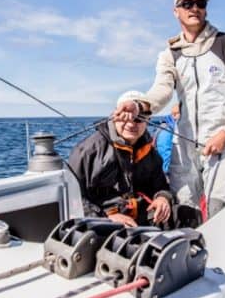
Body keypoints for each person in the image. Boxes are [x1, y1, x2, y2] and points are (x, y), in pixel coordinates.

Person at [115, 0, 225, 218]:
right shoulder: (169, 54)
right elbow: (162, 90)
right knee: (182, 212)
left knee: (217, 209)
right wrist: (139, 105)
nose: (194, 8)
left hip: (222, 141)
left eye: (200, 3)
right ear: (176, 11)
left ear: (206, 9)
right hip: (183, 145)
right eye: (187, 4)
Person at [68, 91, 173, 227]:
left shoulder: (149, 151)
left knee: (184, 215)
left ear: (148, 120)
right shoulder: (87, 151)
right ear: (114, 116)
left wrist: (163, 198)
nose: (131, 124)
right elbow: (73, 198)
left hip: (140, 217)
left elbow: (161, 186)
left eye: (138, 119)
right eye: (125, 118)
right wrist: (106, 217)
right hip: (102, 221)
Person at [153, 103, 180, 173]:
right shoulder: (166, 132)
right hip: (168, 175)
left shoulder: (173, 128)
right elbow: (165, 158)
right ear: (174, 115)